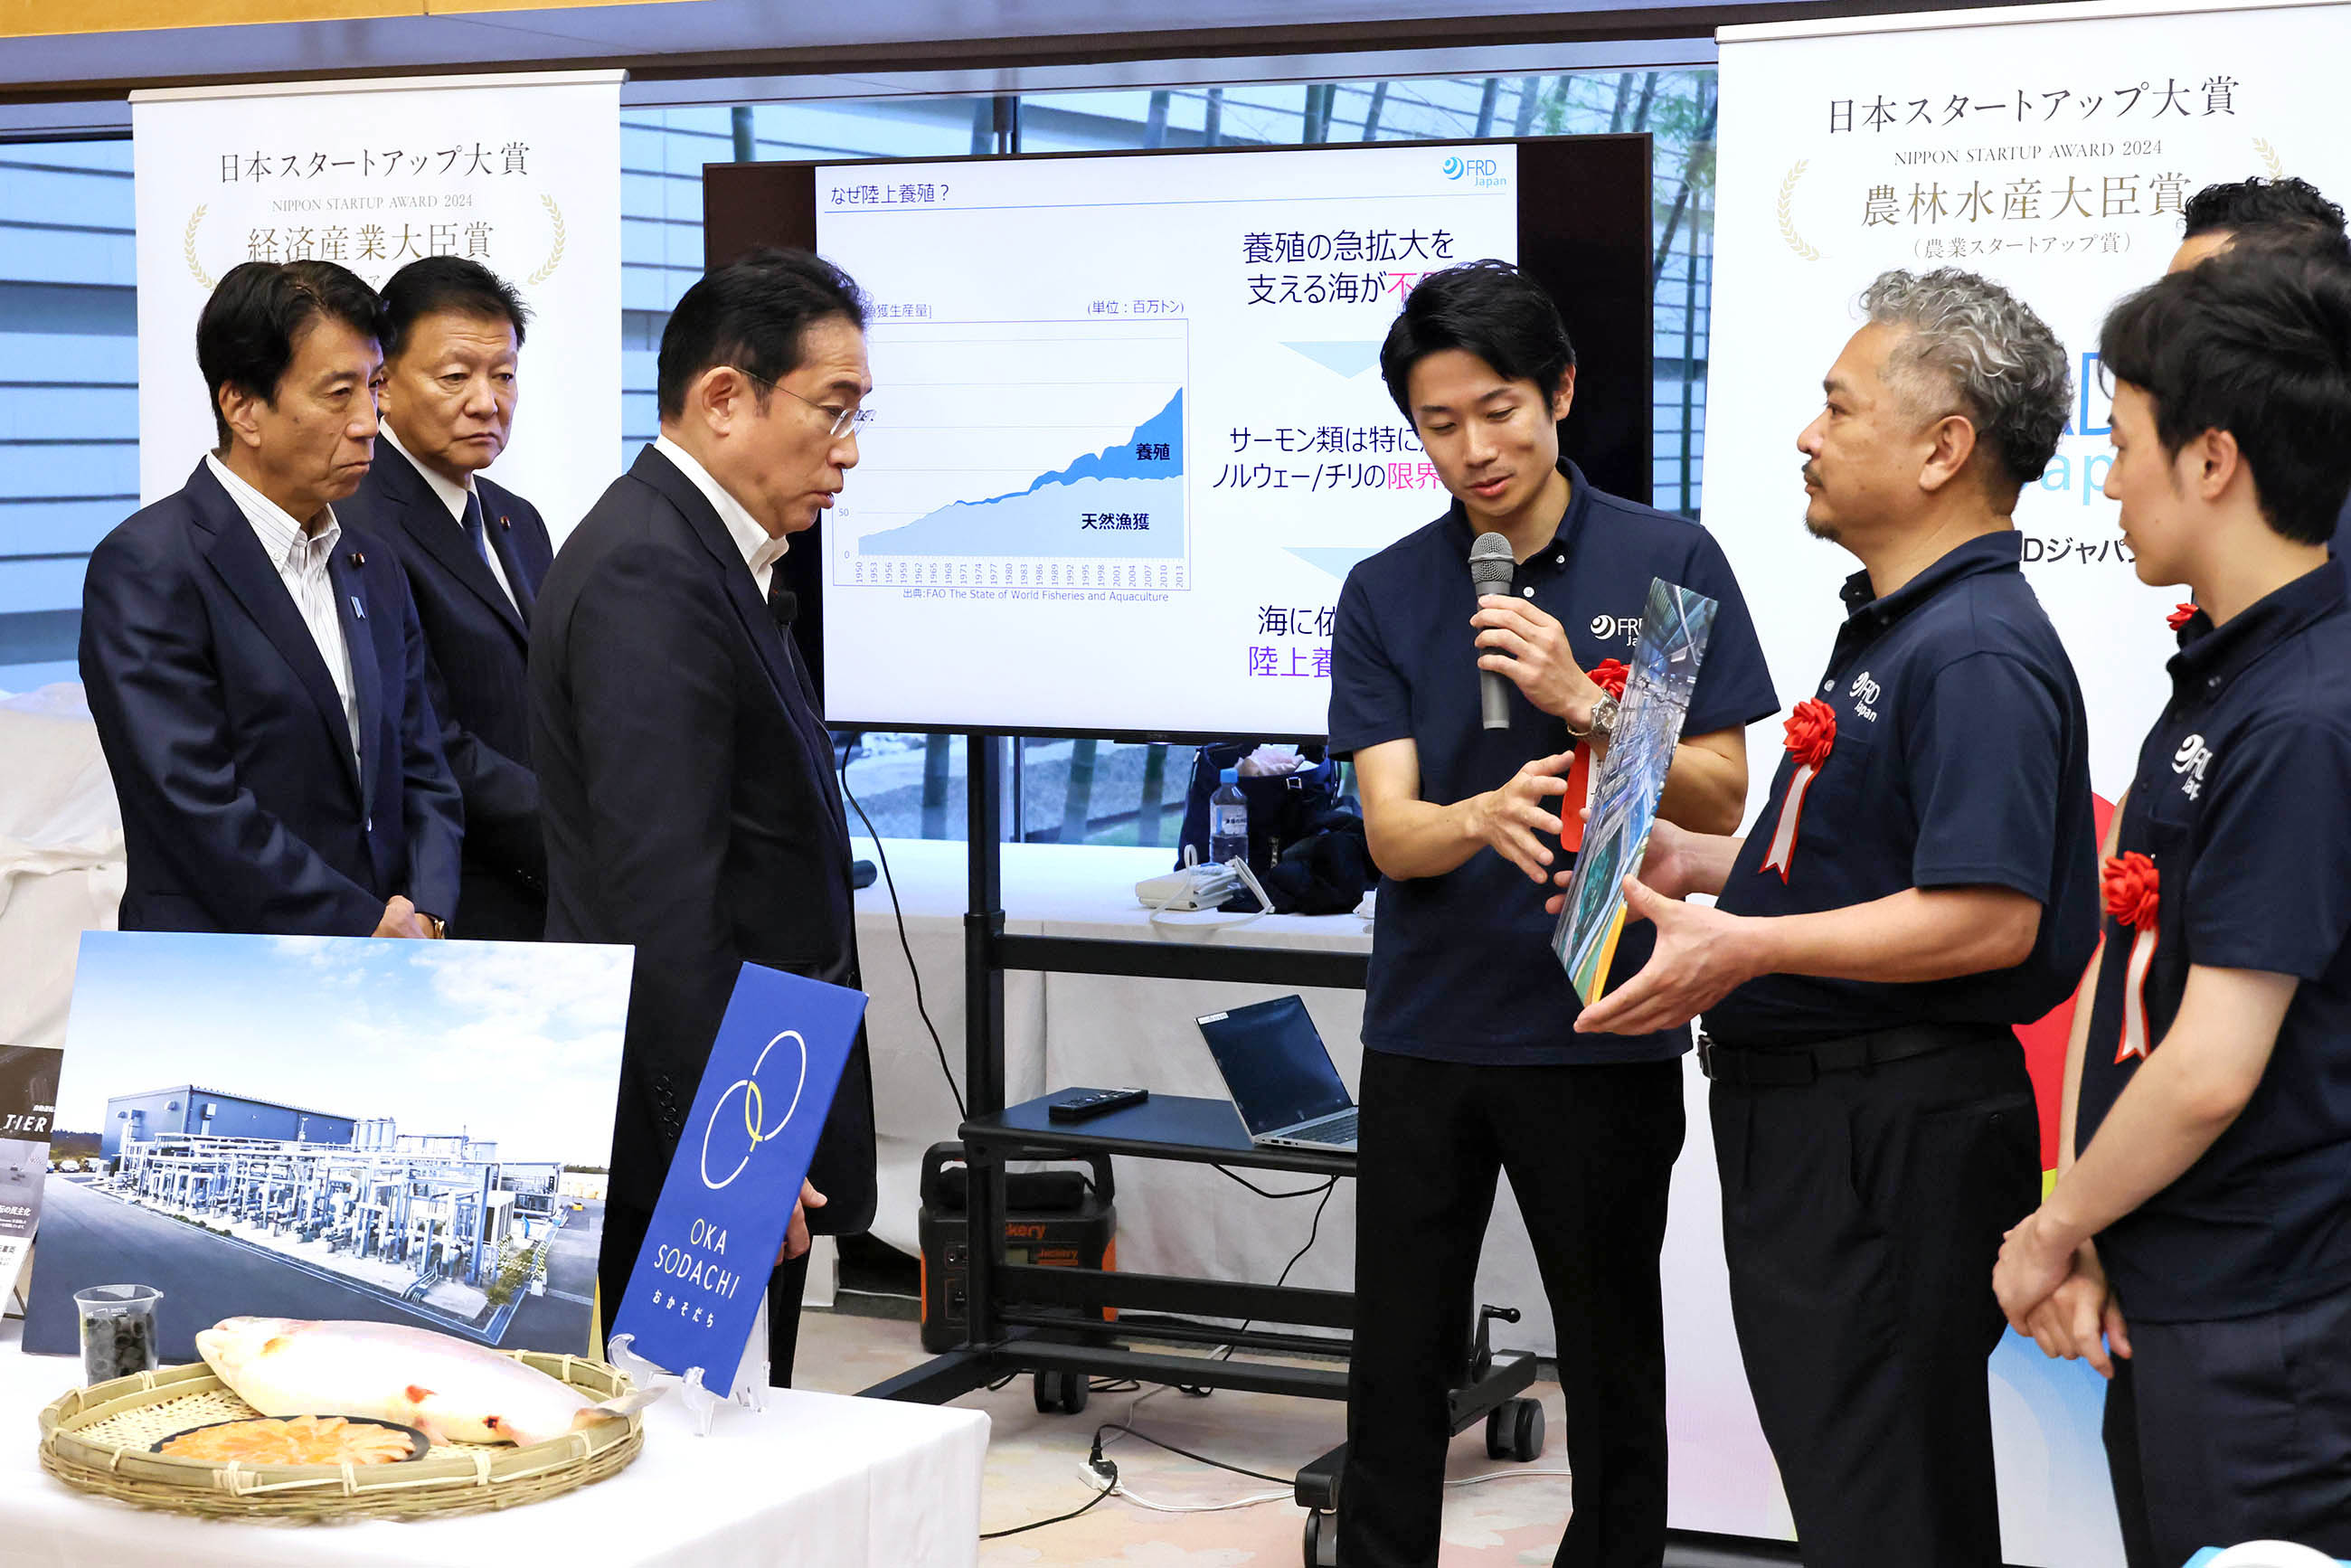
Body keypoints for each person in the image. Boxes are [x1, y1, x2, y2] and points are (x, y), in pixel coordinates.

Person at [1568, 269, 2099, 1568]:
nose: (1807, 435)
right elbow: (1880, 859)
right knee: (1866, 1490)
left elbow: (1988, 915)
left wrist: (1748, 944)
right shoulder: (1904, 632)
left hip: (1884, 1136)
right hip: (1836, 1127)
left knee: (1886, 1503)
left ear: (1943, 448)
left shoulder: (1971, 647)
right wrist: (1720, 867)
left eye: (1838, 407)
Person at [1327, 260, 1780, 1568]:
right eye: (1439, 423)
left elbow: (1717, 786)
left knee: (1611, 1361)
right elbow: (1391, 830)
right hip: (1427, 1030)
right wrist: (1476, 818)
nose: (1474, 448)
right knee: (1396, 1357)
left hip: (1602, 1016)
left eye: (1500, 409)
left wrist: (1586, 698)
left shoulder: (1668, 557)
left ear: (1562, 392)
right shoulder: (1389, 588)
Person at [1992, 251, 2351, 1567]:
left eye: (2124, 439)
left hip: (2267, 1325)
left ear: (2214, 460)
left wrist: (2051, 1228)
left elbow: (2208, 1065)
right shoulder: (2230, 672)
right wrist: (2094, 1229)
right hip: (2180, 1280)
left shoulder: (2304, 714)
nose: (2111, 476)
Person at [531, 248, 875, 1379]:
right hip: (695, 1127)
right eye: (831, 411)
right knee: (684, 1444)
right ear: (725, 398)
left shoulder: (712, 557)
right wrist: (729, 1159)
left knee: (732, 1445)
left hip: (744, 1095)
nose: (848, 450)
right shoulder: (650, 571)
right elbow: (664, 902)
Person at [80, 260, 461, 939]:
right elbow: (192, 802)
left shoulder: (371, 563)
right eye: (338, 393)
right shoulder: (148, 566)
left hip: (384, 971)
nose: (369, 422)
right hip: (221, 984)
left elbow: (422, 763)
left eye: (373, 388)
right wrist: (362, 922)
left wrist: (427, 907)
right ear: (243, 407)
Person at [338, 257, 552, 941]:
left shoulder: (517, 517)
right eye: (455, 376)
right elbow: (424, 737)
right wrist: (584, 832)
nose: (487, 401)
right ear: (385, 386)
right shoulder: (356, 524)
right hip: (443, 901)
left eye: (504, 375)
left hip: (545, 891)